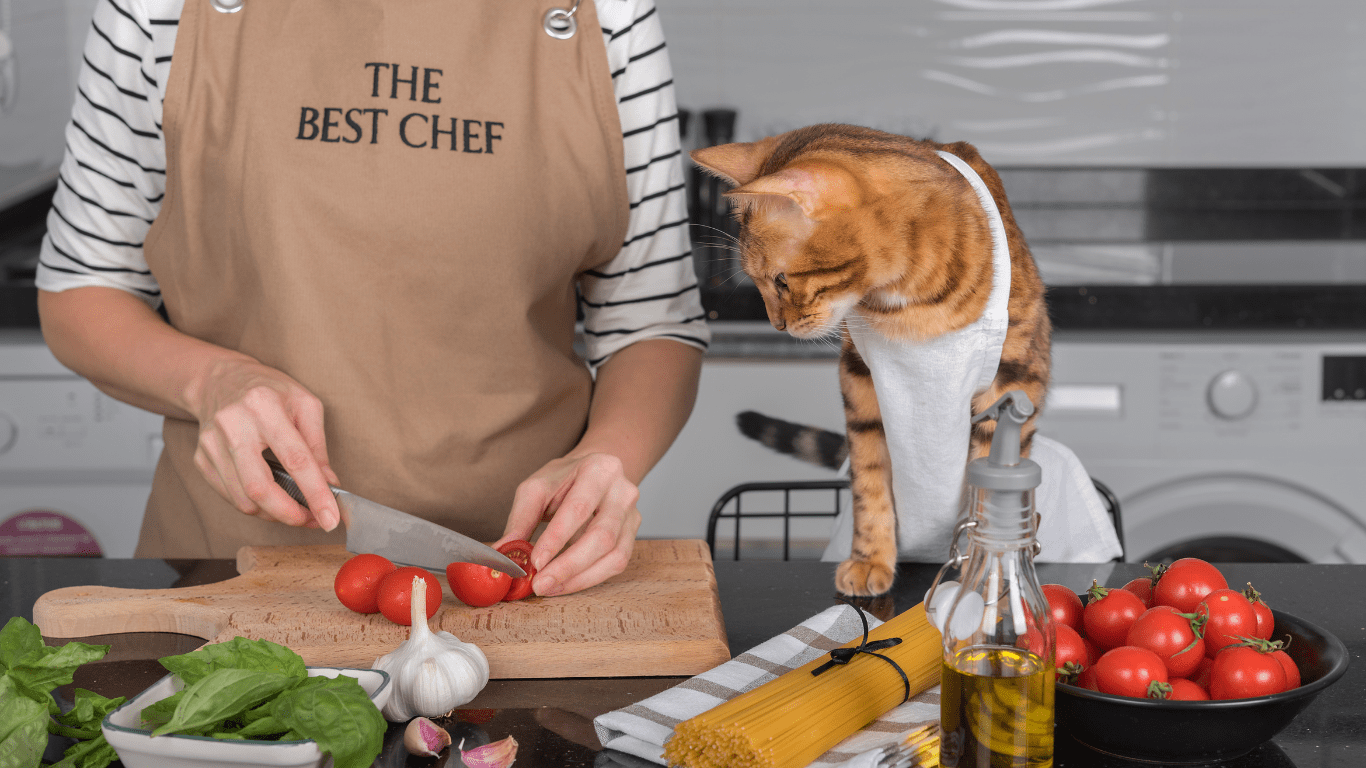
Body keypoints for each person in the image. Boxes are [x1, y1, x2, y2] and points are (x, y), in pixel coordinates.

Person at [35, 0, 709, 598]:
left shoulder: (606, 12)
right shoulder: (156, 8)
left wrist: (608, 455)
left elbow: (652, 320)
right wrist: (212, 381)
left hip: (522, 576)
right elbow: (81, 287)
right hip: (230, 577)